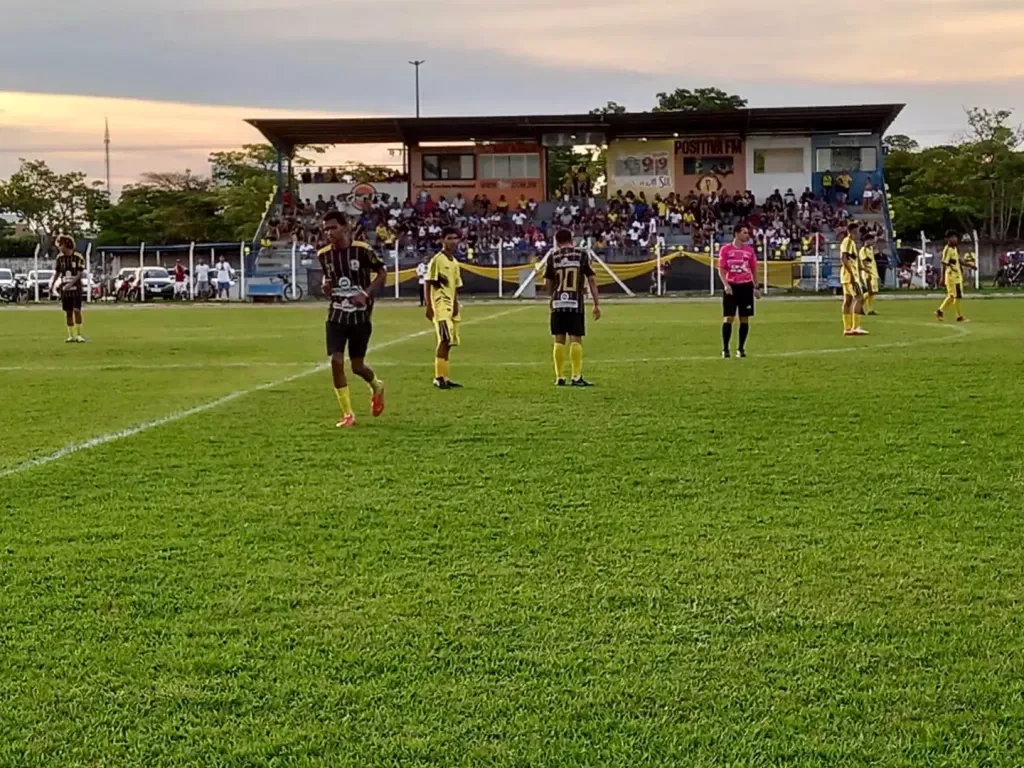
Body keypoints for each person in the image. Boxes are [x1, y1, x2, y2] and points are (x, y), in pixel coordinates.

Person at [318, 210, 387, 427]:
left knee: (358, 367)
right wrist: (325, 286)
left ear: (345, 227)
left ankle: (377, 385)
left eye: (333, 228)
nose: (329, 232)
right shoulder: (324, 255)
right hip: (336, 314)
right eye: (326, 228)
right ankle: (348, 413)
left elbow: (382, 273)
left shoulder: (362, 250)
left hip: (360, 317)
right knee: (336, 361)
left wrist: (365, 294)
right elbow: (328, 278)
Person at [544, 228, 601, 386]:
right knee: (576, 338)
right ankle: (576, 377)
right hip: (575, 302)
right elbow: (591, 280)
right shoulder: (582, 254)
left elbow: (547, 282)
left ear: (556, 242)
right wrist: (596, 303)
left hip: (557, 302)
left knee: (559, 339)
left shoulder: (553, 256)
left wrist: (551, 296)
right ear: (572, 239)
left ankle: (560, 377)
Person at [425, 227, 464, 390]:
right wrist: (429, 306)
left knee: (449, 342)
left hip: (450, 306)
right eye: (449, 238)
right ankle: (438, 377)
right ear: (442, 240)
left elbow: (456, 285)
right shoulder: (437, 260)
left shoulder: (454, 262)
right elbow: (428, 282)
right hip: (440, 305)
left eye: (455, 238)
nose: (453, 241)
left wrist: (455, 303)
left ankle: (445, 377)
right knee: (444, 339)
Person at [718, 223, 759, 358]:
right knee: (729, 317)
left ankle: (741, 348)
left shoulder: (749, 251)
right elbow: (721, 269)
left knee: (744, 318)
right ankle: (725, 349)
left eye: (747, 233)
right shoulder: (725, 250)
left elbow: (753, 269)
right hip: (731, 287)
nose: (747, 235)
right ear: (737, 234)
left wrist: (756, 287)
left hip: (746, 286)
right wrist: (726, 285)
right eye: (745, 232)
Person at [49, 235, 86, 343]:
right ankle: (71, 335)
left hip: (76, 288)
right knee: (68, 312)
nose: (59, 247)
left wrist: (70, 284)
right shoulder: (59, 258)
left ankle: (79, 334)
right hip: (65, 289)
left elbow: (80, 273)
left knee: (77, 310)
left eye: (60, 245)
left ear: (66, 245)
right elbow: (57, 272)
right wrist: (53, 284)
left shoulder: (78, 257)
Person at [935, 230, 970, 322]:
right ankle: (959, 317)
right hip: (952, 277)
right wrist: (942, 277)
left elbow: (958, 261)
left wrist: (970, 266)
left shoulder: (955, 248)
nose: (955, 239)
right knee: (957, 296)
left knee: (951, 296)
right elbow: (944, 263)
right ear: (947, 239)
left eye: (956, 237)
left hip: (956, 276)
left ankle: (939, 311)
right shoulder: (947, 249)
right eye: (952, 237)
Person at [840, 223, 868, 336]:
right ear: (850, 231)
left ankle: (847, 328)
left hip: (847, 276)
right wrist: (851, 274)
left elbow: (851, 260)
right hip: (850, 276)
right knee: (860, 298)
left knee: (848, 301)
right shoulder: (847, 241)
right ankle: (855, 327)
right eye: (855, 232)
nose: (856, 235)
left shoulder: (851, 243)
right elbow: (844, 258)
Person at [859, 233, 880, 315]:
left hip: (873, 273)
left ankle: (869, 310)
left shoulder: (870, 248)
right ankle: (859, 303)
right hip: (868, 274)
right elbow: (864, 262)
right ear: (866, 240)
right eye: (871, 240)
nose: (873, 242)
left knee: (871, 293)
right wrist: (867, 271)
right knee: (871, 291)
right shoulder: (863, 250)